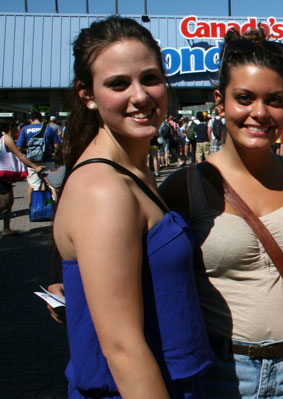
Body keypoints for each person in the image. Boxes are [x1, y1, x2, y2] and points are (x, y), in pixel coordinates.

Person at [52, 16, 213, 398]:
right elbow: (122, 348)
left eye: (150, 78)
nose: (140, 96)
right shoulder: (104, 190)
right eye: (118, 84)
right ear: (87, 95)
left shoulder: (134, 171)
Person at [160, 27, 283, 399]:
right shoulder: (184, 188)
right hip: (221, 377)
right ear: (220, 100)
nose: (259, 113)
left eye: (274, 100)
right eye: (244, 98)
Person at [1, 121, 44, 236]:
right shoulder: (6, 138)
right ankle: (6, 229)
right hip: (2, 175)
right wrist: (35, 167)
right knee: (6, 203)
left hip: (3, 176)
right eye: (16, 127)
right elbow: (19, 155)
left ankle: (6, 229)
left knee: (8, 202)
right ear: (10, 127)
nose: (18, 129)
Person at [16, 111, 61, 201]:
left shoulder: (25, 129)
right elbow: (57, 145)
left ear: (30, 120)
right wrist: (55, 153)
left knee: (33, 186)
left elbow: (19, 147)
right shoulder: (49, 129)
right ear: (41, 119)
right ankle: (51, 207)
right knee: (52, 185)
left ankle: (34, 208)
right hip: (48, 160)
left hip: (32, 163)